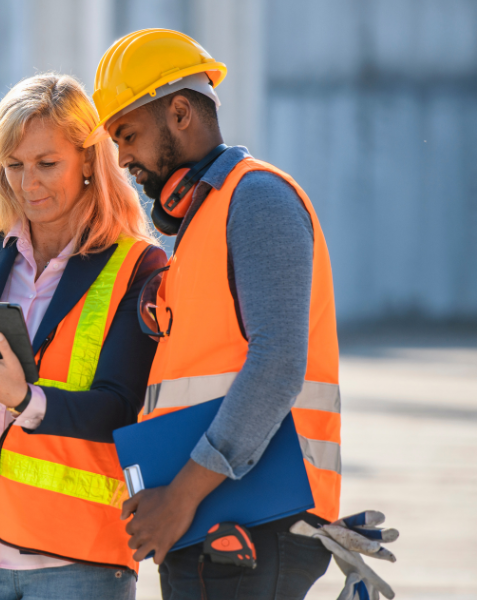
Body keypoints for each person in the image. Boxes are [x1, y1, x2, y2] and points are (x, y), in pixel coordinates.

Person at [89, 29, 341, 598]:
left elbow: (277, 364)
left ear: (180, 112)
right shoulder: (205, 220)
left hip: (253, 519)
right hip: (215, 518)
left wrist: (179, 497)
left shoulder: (257, 200)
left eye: (127, 134)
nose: (122, 157)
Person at [0, 74, 167, 600]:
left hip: (76, 556)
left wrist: (24, 399)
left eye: (47, 164)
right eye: (14, 166)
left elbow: (121, 410)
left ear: (91, 161)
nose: (29, 184)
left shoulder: (138, 265)